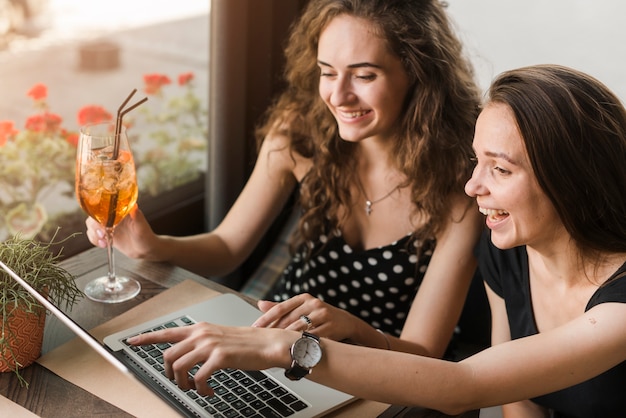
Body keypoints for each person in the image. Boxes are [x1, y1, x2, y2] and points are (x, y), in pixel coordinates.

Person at [128, 64, 626, 417]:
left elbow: (464, 386)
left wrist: (284, 347)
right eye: (477, 162)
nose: (474, 186)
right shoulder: (511, 258)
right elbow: (519, 399)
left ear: (571, 178)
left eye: (499, 169)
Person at [87, 0, 483, 357]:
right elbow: (227, 247)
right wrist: (151, 246)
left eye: (363, 76)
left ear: (417, 74)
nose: (339, 96)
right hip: (274, 346)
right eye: (328, 73)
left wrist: (352, 330)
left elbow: (424, 353)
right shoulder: (299, 134)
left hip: (385, 371)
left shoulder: (463, 186)